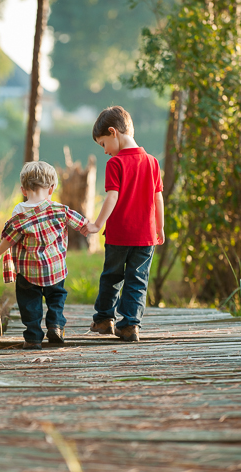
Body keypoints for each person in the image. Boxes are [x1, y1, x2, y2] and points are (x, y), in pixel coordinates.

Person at [81, 106, 165, 342]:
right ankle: (130, 326)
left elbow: (112, 196)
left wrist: (97, 224)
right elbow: (158, 198)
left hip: (119, 235)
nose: (105, 151)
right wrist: (160, 227)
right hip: (146, 236)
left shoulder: (115, 164)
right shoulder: (152, 162)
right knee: (137, 280)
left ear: (113, 132)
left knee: (112, 276)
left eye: (103, 144)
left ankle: (104, 319)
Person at [0, 161, 89, 350]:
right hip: (54, 268)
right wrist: (93, 227)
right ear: (51, 189)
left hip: (28, 271)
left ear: (23, 190)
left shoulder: (19, 213)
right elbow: (83, 223)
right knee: (56, 297)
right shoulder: (59, 210)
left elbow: (9, 239)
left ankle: (33, 337)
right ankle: (56, 325)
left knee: (29, 302)